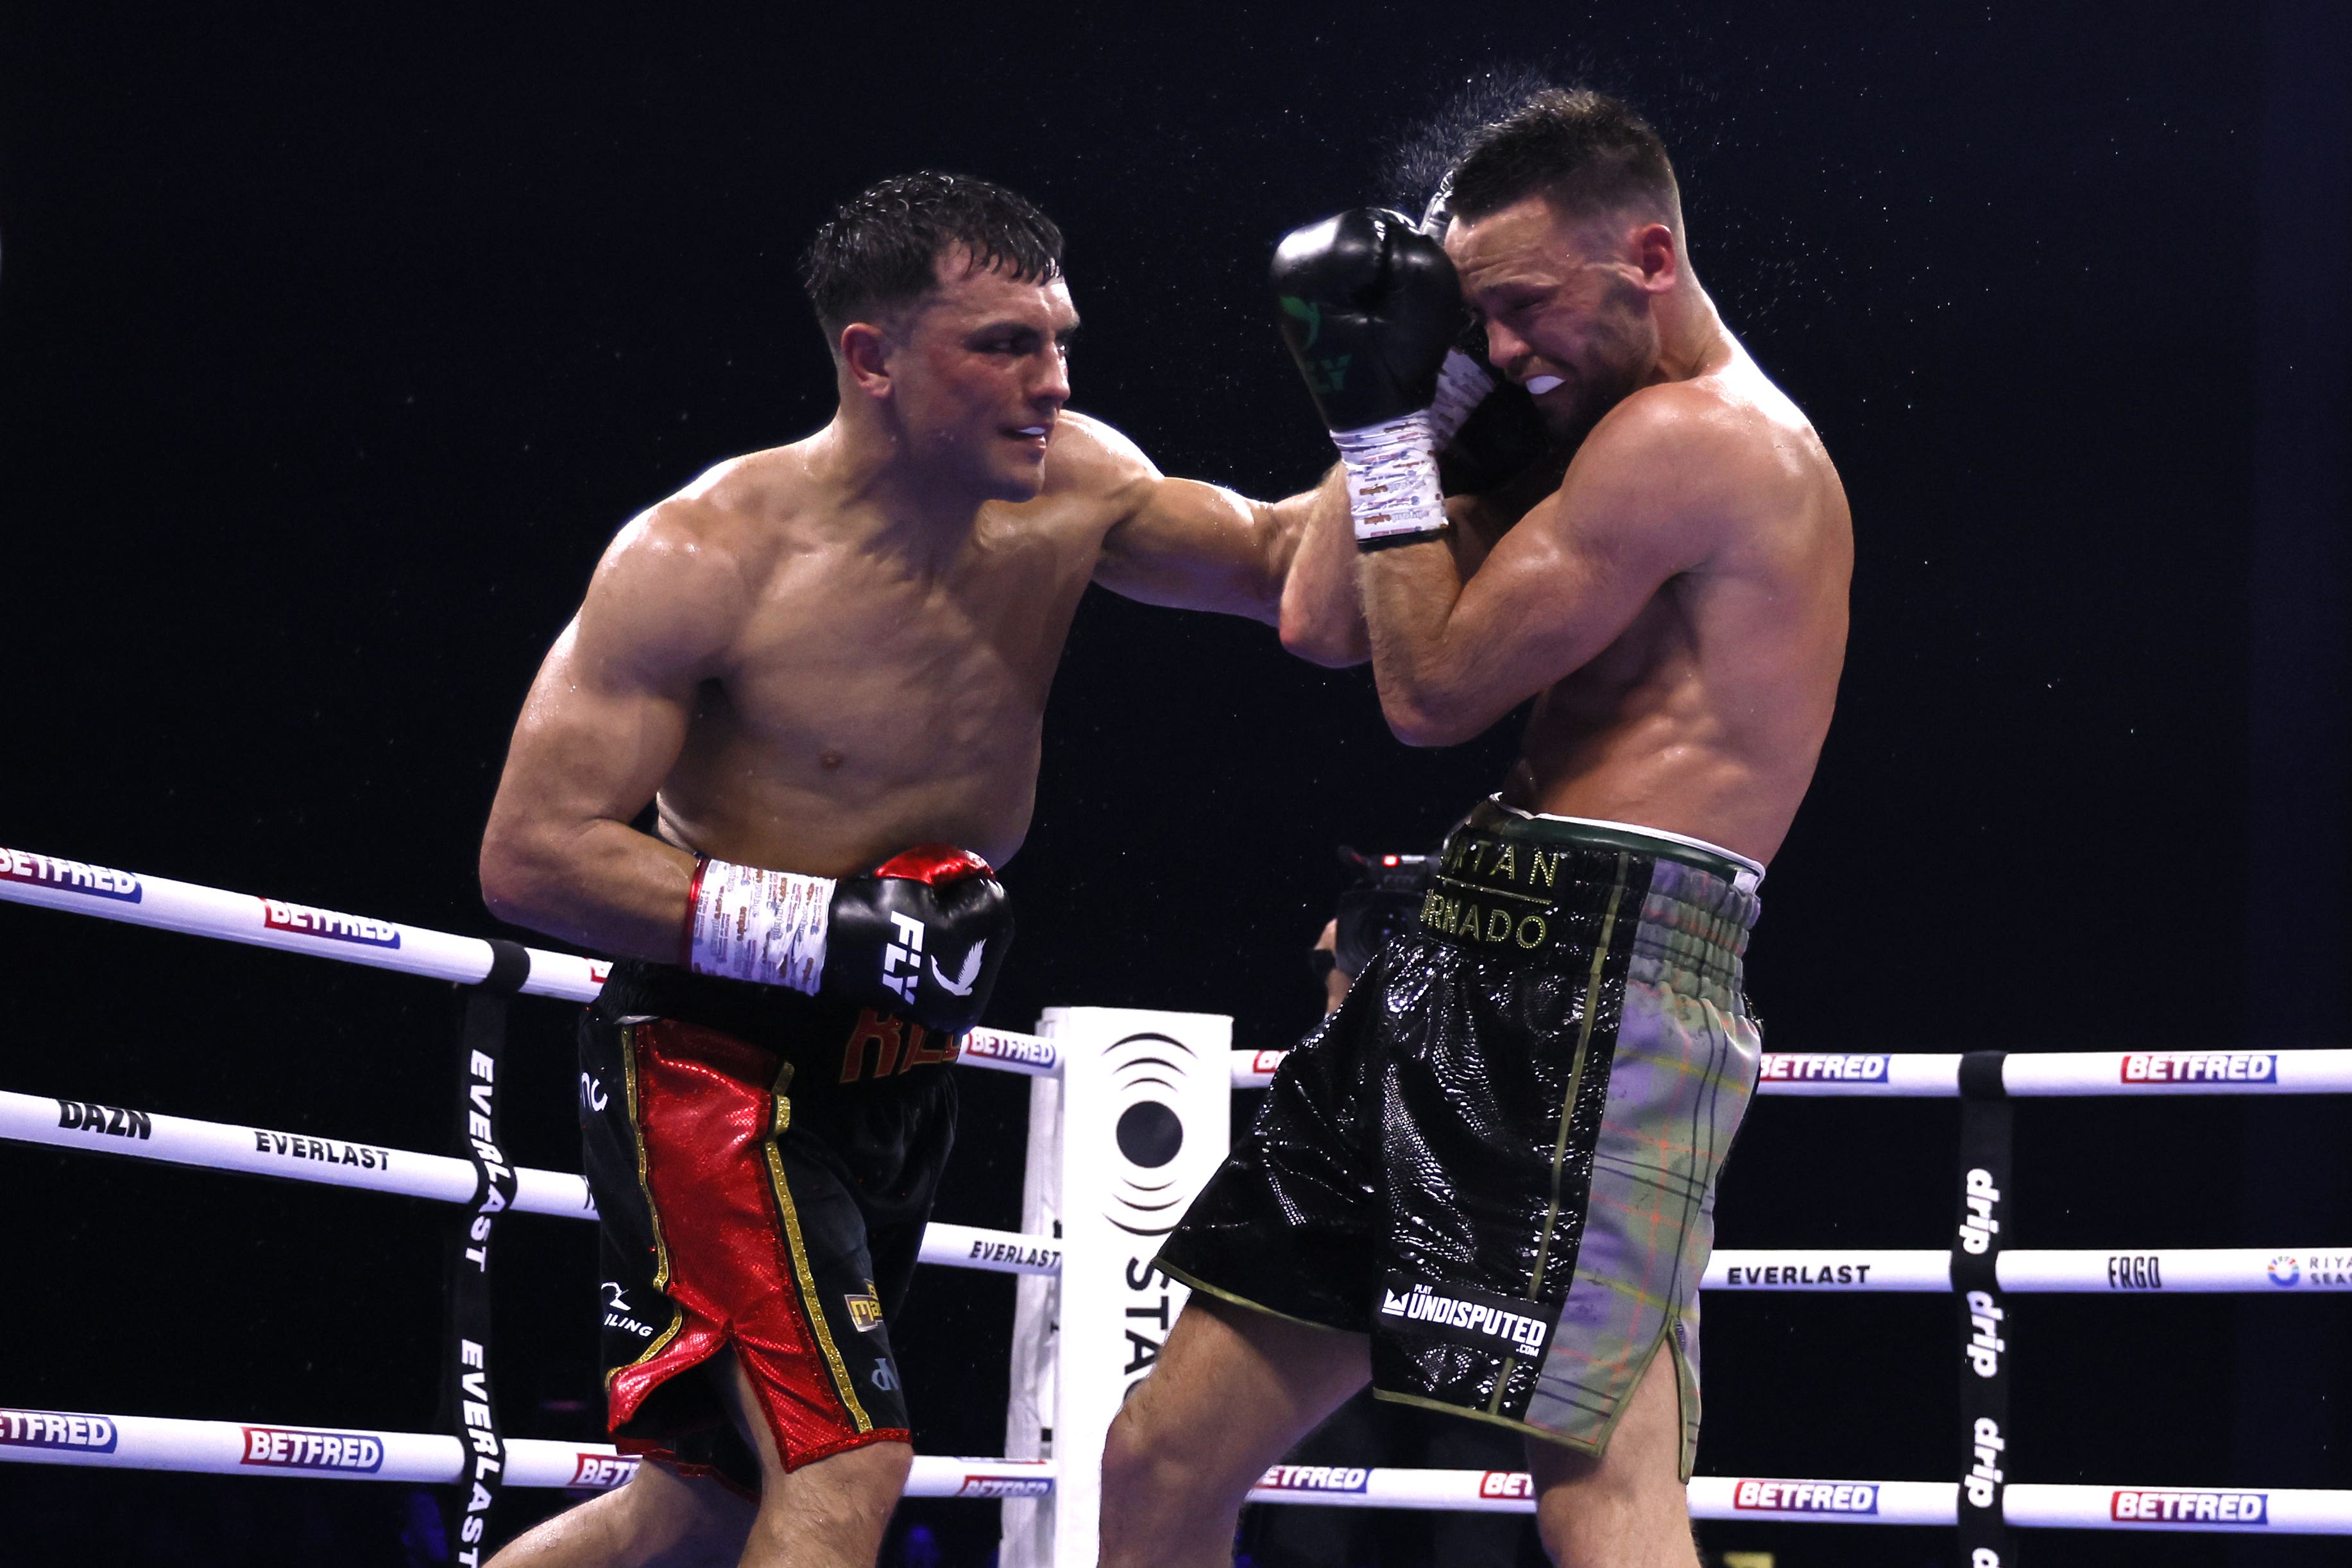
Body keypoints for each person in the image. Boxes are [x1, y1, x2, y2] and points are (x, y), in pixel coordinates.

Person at [474, 171, 1358, 1568]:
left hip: (897, 1068)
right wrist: (809, 927)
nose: (1051, 381)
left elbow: (1291, 579)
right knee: (847, 1468)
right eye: (1003, 344)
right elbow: (530, 854)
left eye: (1060, 339)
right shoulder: (705, 554)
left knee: (691, 1505)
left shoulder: (1080, 490)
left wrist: (1402, 412)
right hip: (717, 1064)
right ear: (871, 358)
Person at [1102, 88, 1853, 1568]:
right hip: (1460, 946)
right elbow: (1327, 620)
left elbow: (1430, 690)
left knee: (1599, 1496)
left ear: (1646, 253)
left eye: (1519, 308)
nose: (1506, 347)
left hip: (1606, 975)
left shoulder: (1698, 444)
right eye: (1479, 318)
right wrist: (1416, 393)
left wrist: (1388, 431)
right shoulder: (1570, 422)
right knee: (1160, 1456)